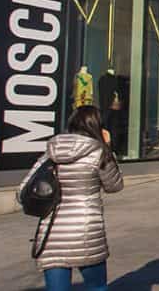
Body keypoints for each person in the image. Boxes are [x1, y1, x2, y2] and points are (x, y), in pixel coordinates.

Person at [18, 105, 123, 291]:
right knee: (97, 287)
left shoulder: (50, 153)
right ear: (97, 126)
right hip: (86, 230)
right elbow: (114, 186)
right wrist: (108, 148)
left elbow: (22, 192)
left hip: (52, 234)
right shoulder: (99, 153)